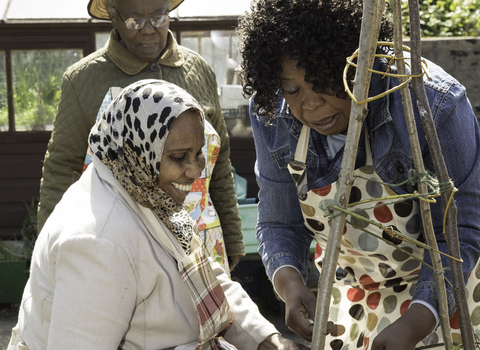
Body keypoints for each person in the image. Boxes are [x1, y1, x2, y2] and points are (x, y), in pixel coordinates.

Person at [236, 0, 480, 349]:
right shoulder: (270, 113)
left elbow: (462, 230)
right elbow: (278, 222)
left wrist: (417, 320)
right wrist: (289, 285)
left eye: (323, 82)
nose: (310, 104)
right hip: (354, 305)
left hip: (448, 295)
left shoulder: (431, 103)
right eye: (293, 90)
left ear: (358, 65)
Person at [8, 80, 308, 350]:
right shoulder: (99, 242)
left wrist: (267, 341)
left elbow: (208, 282)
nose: (195, 170)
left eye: (198, 152)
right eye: (179, 158)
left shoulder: (147, 193)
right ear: (136, 150)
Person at [37, 0, 244, 271]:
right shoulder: (83, 79)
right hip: (119, 244)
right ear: (114, 18)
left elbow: (221, 159)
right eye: (135, 22)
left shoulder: (198, 70)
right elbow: (61, 167)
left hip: (199, 234)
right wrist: (49, 244)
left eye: (158, 18)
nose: (148, 30)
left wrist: (231, 235)